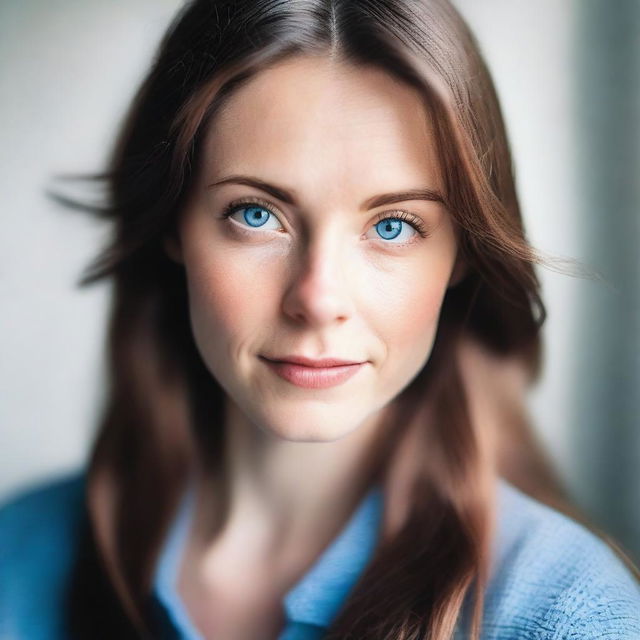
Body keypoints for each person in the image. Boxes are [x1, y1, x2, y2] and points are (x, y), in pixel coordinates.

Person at [1, 1, 639, 639]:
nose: (317, 297)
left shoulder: (569, 614)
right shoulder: (18, 557)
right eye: (255, 214)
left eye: (393, 227)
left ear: (463, 255)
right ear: (174, 222)